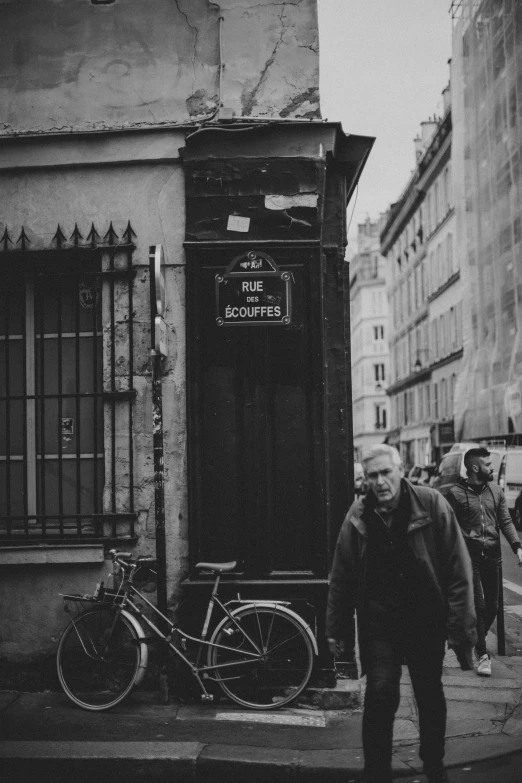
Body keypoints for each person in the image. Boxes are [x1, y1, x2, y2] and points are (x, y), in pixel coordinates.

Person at [326, 445, 476, 783]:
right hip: (380, 622)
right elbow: (341, 575)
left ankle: (434, 766)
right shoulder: (358, 514)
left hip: (425, 619)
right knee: (380, 694)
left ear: (400, 470)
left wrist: (461, 629)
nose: (379, 482)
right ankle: (376, 773)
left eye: (385, 473)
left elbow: (458, 569)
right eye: (371, 476)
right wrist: (335, 628)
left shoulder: (431, 503)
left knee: (429, 693)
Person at [445, 447, 522, 677]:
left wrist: (517, 547)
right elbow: (451, 528)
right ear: (475, 468)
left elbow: (506, 521)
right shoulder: (456, 494)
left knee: (492, 606)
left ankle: (471, 638)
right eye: (488, 464)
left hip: (493, 554)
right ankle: (483, 655)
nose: (492, 468)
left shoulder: (495, 491)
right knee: (478, 606)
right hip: (469, 557)